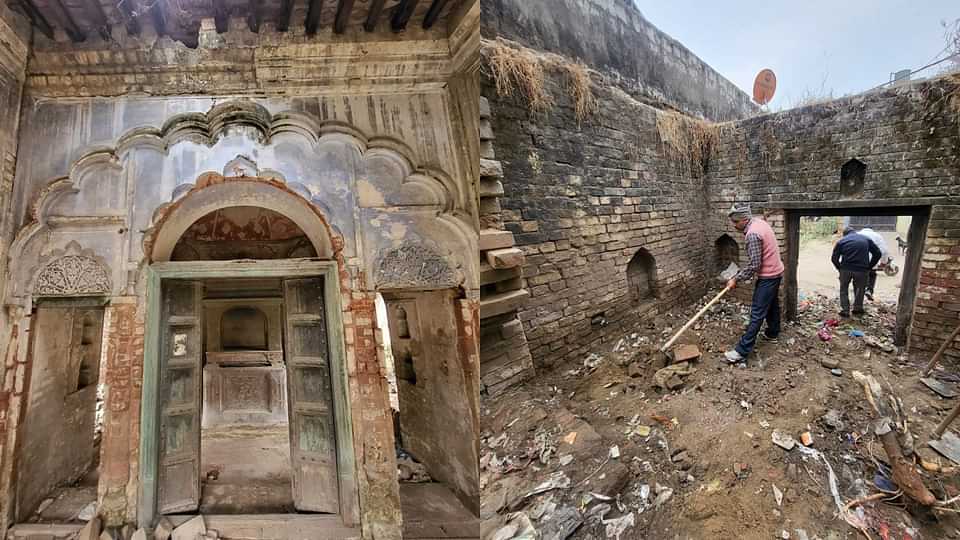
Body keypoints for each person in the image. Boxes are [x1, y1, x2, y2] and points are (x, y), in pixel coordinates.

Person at [723, 204, 785, 365]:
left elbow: (754, 266)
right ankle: (773, 332)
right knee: (771, 304)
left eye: (735, 222)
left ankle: (741, 351)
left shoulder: (752, 234)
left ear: (744, 220)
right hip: (776, 272)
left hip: (769, 275)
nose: (734, 225)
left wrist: (735, 279)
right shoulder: (759, 222)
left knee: (757, 313)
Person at [831, 227, 881, 317]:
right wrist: (869, 266)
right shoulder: (866, 239)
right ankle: (857, 308)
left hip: (846, 269)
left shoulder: (842, 241)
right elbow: (878, 253)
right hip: (862, 270)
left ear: (845, 234)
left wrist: (840, 269)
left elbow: (834, 258)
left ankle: (845, 310)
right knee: (860, 289)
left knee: (843, 289)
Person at [856, 227, 893, 301]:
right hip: (872, 259)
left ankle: (858, 294)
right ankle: (869, 290)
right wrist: (884, 262)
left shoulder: (857, 234)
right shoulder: (877, 236)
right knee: (872, 274)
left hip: (857, 259)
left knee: (858, 276)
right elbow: (884, 250)